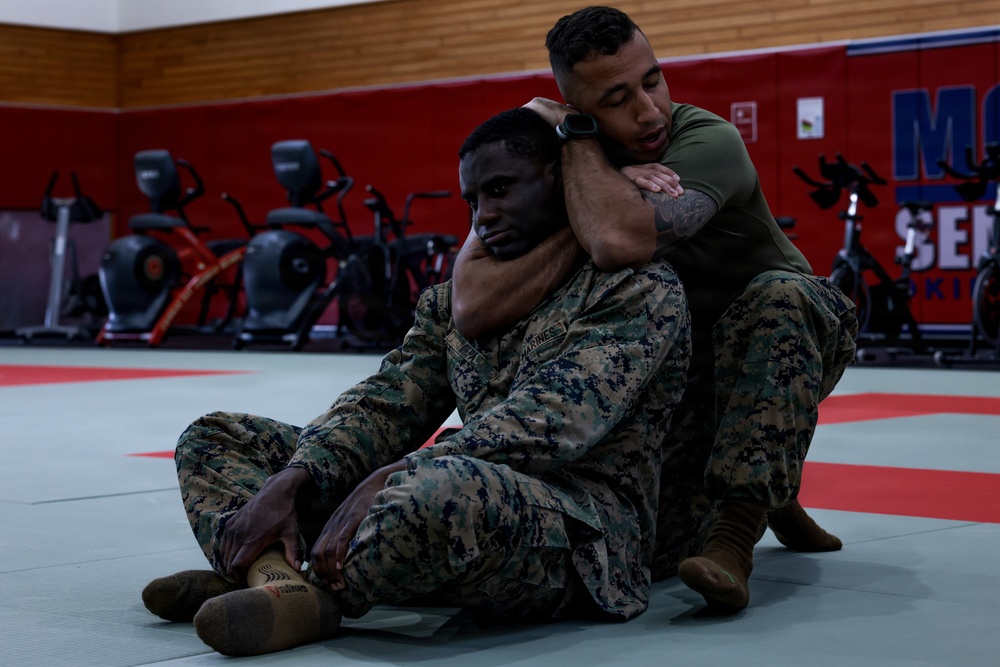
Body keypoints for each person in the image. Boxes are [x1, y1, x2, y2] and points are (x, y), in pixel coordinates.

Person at [141, 107, 692, 656]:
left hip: (582, 529)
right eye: (473, 202)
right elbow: (385, 406)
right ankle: (274, 578)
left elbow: (555, 419)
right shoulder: (457, 303)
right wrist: (297, 477)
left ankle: (292, 588)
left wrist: (398, 474)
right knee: (214, 438)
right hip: (452, 490)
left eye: (501, 190)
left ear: (558, 179)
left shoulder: (636, 287)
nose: (484, 217)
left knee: (437, 492)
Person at [450, 6, 859, 614]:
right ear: (578, 110)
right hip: (681, 376)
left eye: (653, 80)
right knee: (651, 543)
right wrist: (586, 167)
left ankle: (737, 535)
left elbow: (618, 242)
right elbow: (470, 303)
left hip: (792, 338)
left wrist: (600, 185)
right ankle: (775, 487)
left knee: (777, 299)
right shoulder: (570, 156)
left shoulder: (708, 139)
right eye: (616, 99)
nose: (649, 110)